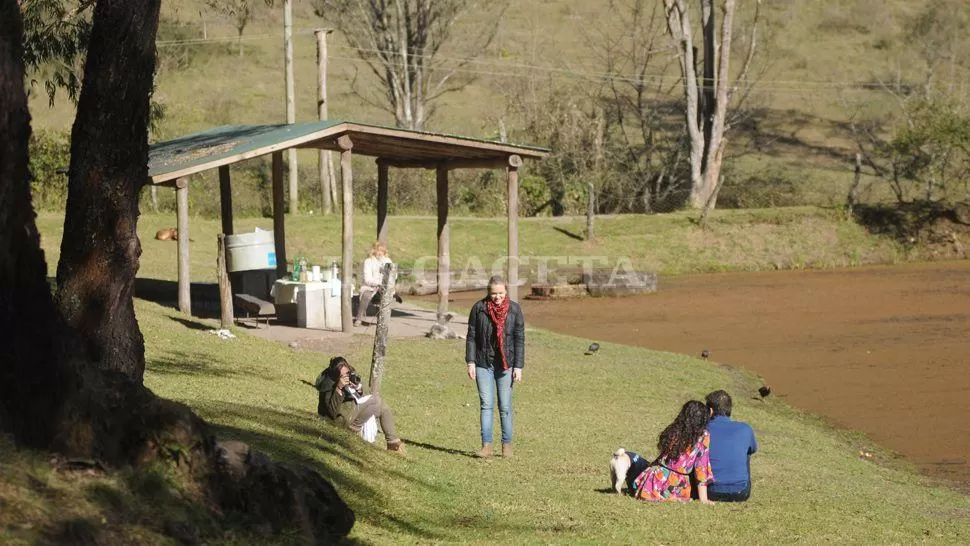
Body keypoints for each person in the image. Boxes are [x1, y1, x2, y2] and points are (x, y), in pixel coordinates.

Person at [465, 275, 525, 458]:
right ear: (488, 293)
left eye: (500, 293)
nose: (497, 297)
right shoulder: (479, 308)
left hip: (506, 365)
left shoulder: (514, 310)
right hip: (483, 363)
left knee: (505, 406)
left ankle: (507, 446)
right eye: (493, 294)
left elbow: (519, 339)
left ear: (506, 291)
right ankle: (486, 446)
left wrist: (518, 366)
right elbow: (471, 337)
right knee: (486, 404)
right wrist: (470, 361)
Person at [315, 356, 406, 453]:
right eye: (343, 376)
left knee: (383, 407)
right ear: (336, 376)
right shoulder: (328, 386)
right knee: (376, 400)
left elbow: (368, 393)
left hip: (351, 412)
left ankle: (393, 444)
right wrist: (339, 389)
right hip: (339, 420)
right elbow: (332, 413)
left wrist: (359, 388)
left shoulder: (351, 375)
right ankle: (353, 429)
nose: (346, 376)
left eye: (348, 373)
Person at [633, 400, 714, 503]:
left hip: (654, 480)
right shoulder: (703, 436)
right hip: (677, 485)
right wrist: (704, 499)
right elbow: (701, 468)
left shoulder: (673, 430)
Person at [705, 390, 758, 502]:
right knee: (746, 452)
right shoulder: (745, 428)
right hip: (740, 493)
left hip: (708, 491)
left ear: (710, 411)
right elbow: (753, 450)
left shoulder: (702, 429)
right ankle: (736, 480)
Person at [354, 241, 393, 327]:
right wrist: (378, 283)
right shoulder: (368, 261)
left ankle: (382, 320)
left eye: (382, 251)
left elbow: (392, 275)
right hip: (369, 286)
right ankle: (359, 318)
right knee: (366, 296)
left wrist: (386, 284)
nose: (380, 253)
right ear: (374, 251)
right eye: (378, 250)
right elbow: (367, 279)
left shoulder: (388, 261)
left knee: (386, 296)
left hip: (384, 286)